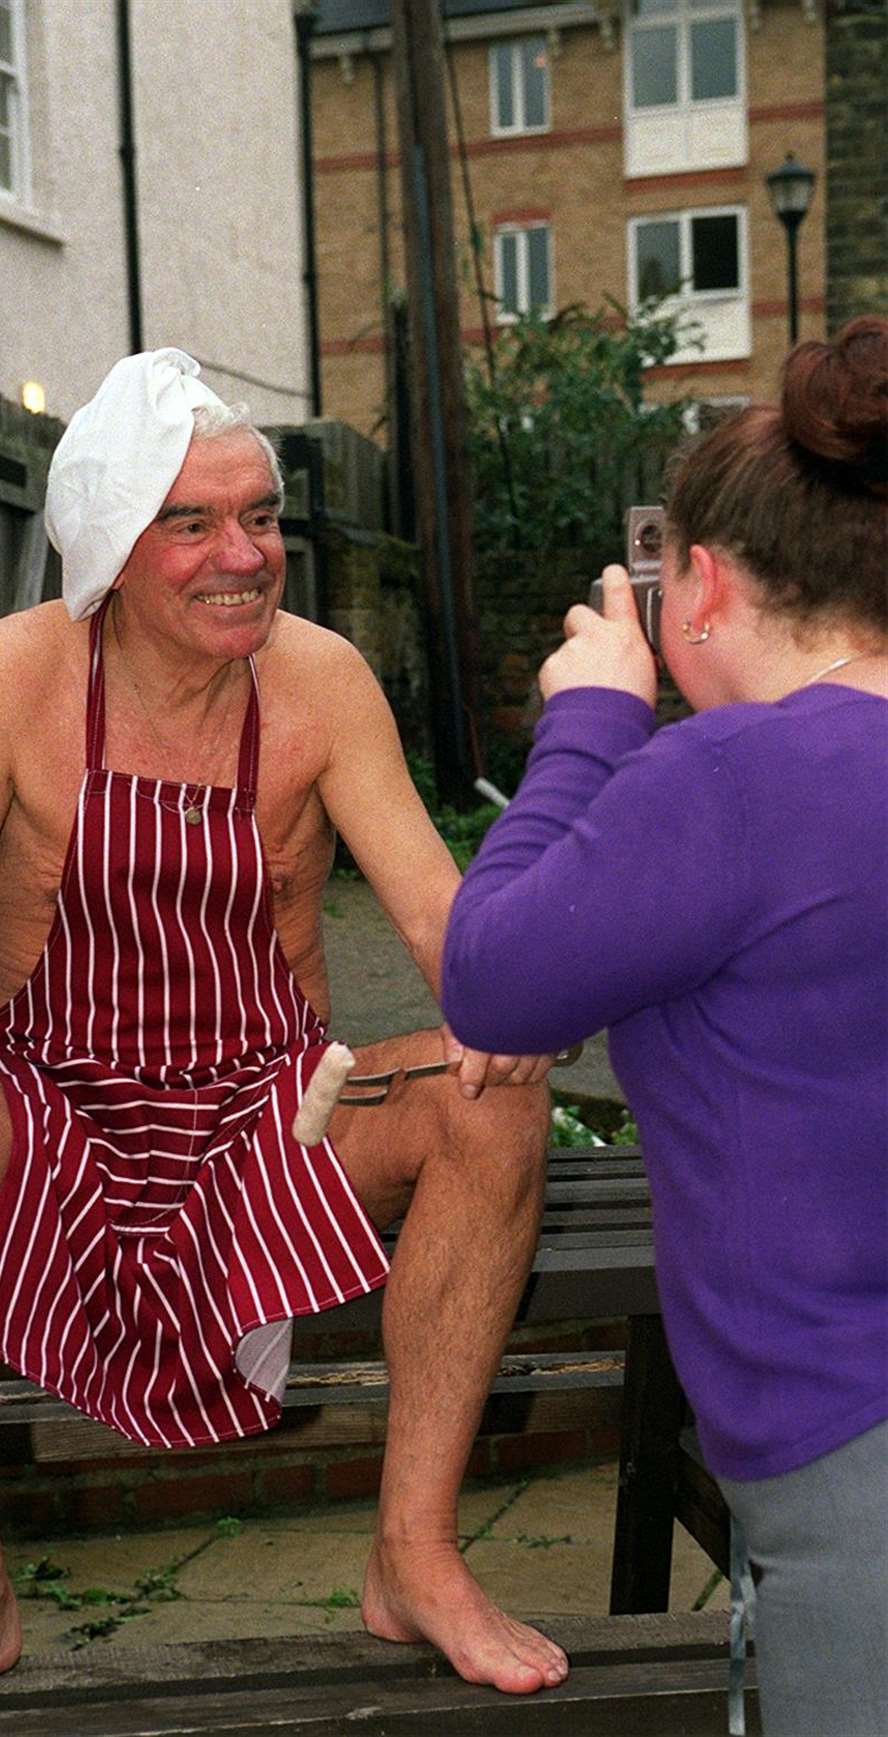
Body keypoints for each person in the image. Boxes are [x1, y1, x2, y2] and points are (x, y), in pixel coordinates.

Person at [0, 347, 569, 1737]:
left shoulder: (324, 683)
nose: (246, 555)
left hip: (278, 1115)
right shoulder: (4, 678)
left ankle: (415, 1552)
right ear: (111, 544)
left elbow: (448, 927)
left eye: (262, 516)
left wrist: (518, 993)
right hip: (58, 1126)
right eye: (195, 523)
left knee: (491, 1102)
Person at [441, 316, 888, 1737]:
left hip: (849, 1452)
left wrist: (590, 718)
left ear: (697, 582)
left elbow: (493, 974)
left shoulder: (728, 776)